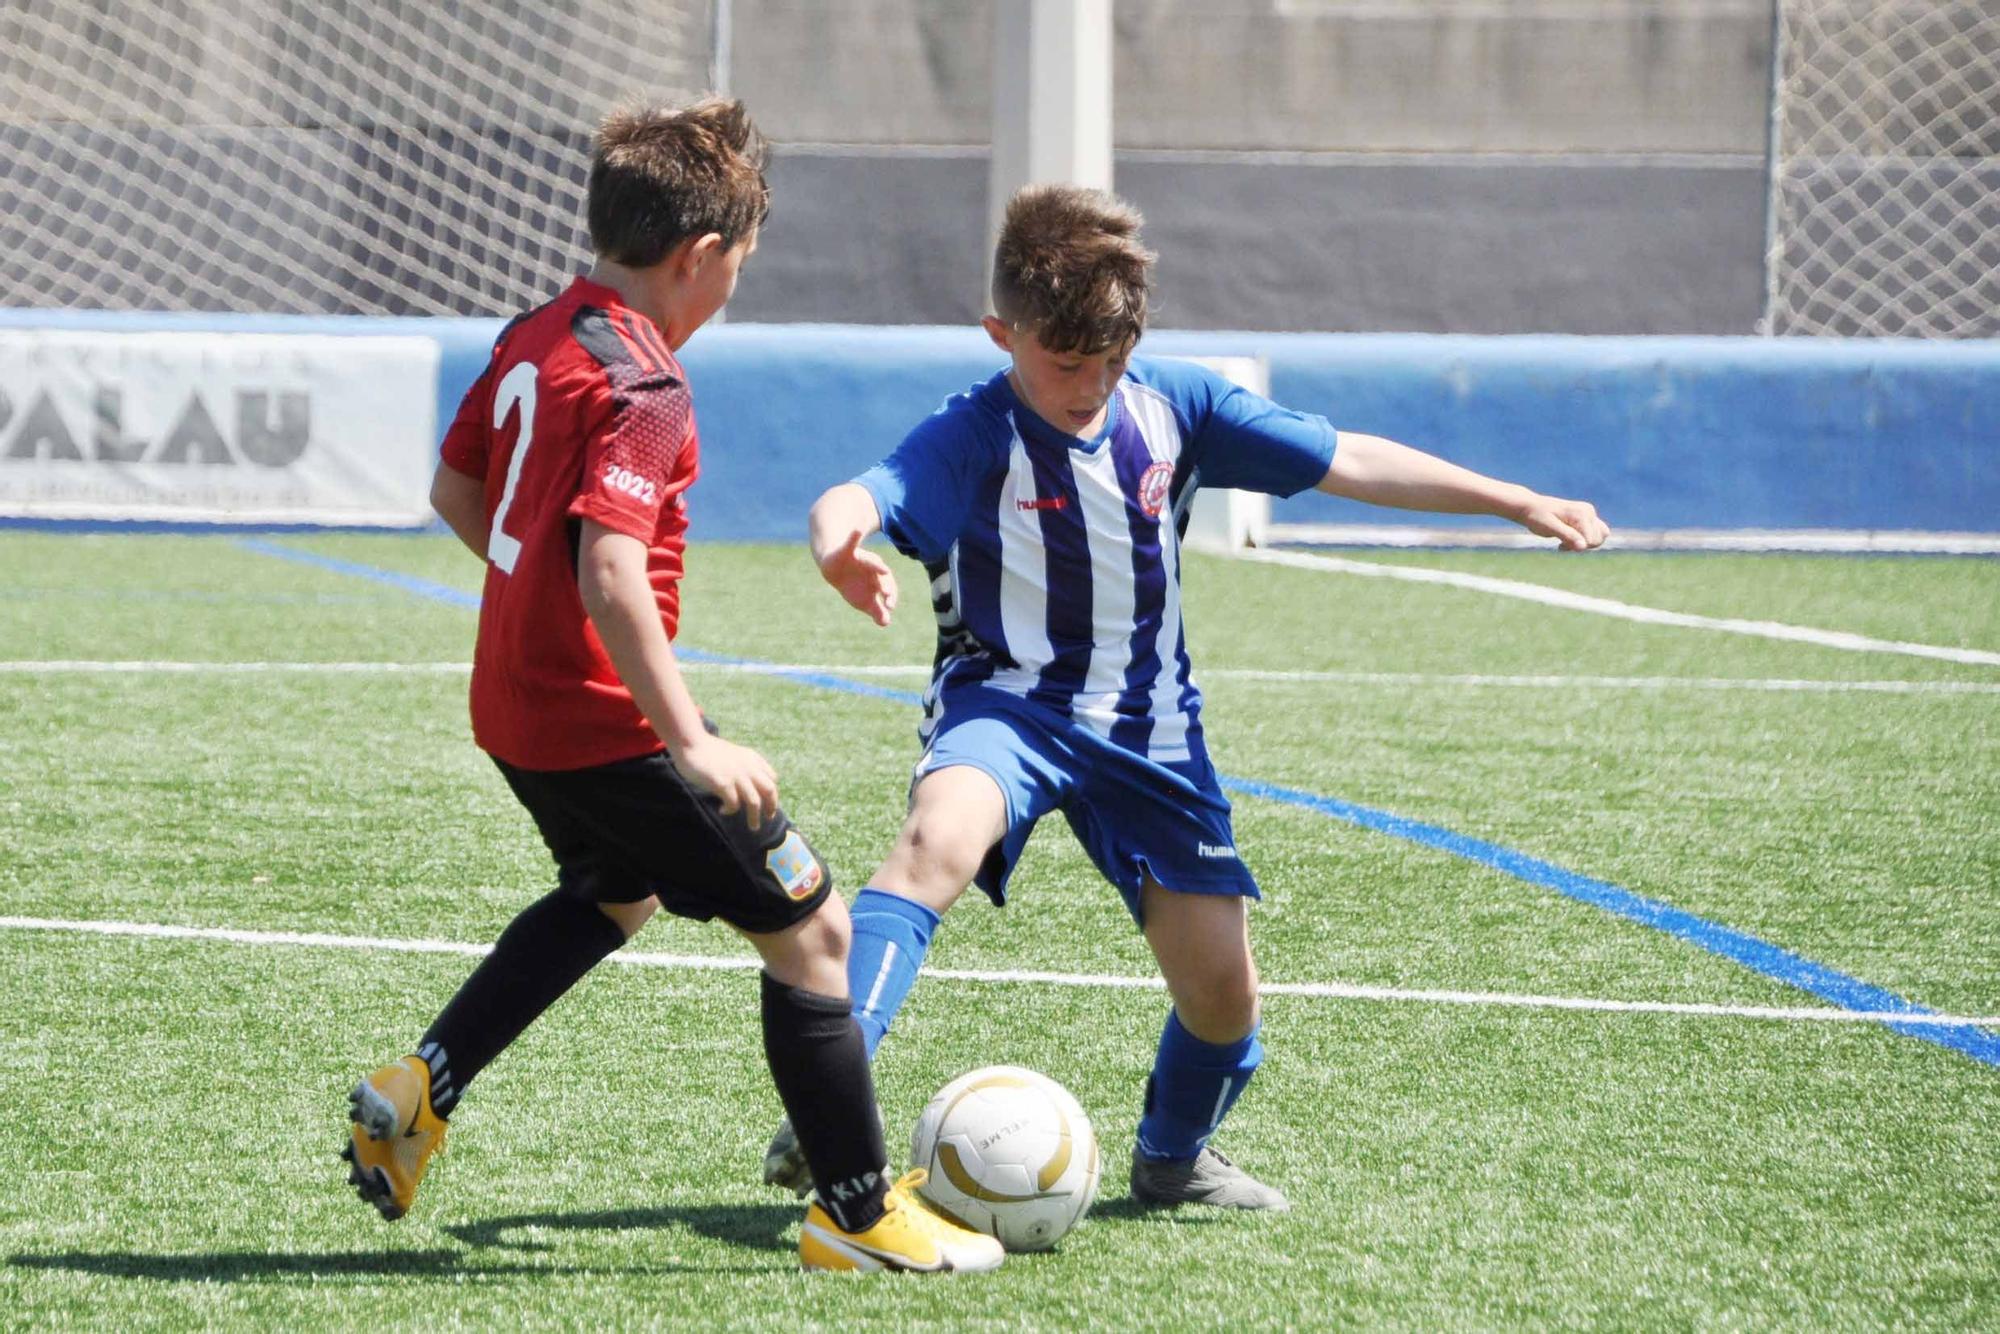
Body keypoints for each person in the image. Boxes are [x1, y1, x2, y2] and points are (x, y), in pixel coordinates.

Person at [765, 184, 1610, 1210]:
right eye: (1063, 362)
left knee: (1221, 994)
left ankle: (1170, 1156)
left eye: (1109, 362)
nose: (1088, 384)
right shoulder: (968, 434)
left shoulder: (1178, 404)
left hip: (1151, 729)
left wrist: (1512, 498)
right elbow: (862, 492)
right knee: (932, 845)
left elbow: (1344, 456)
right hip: (1007, 704)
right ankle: (828, 1094)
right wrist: (834, 541)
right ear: (1002, 333)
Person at [341, 97, 1002, 1274]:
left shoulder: (539, 330)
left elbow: (458, 493)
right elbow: (607, 568)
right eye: (736, 271)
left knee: (615, 892)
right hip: (605, 725)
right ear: (699, 256)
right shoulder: (647, 391)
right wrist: (688, 737)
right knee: (813, 934)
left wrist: (539, 606)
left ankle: (420, 1084)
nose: (731, 293)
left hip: (513, 711)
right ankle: (855, 1216)